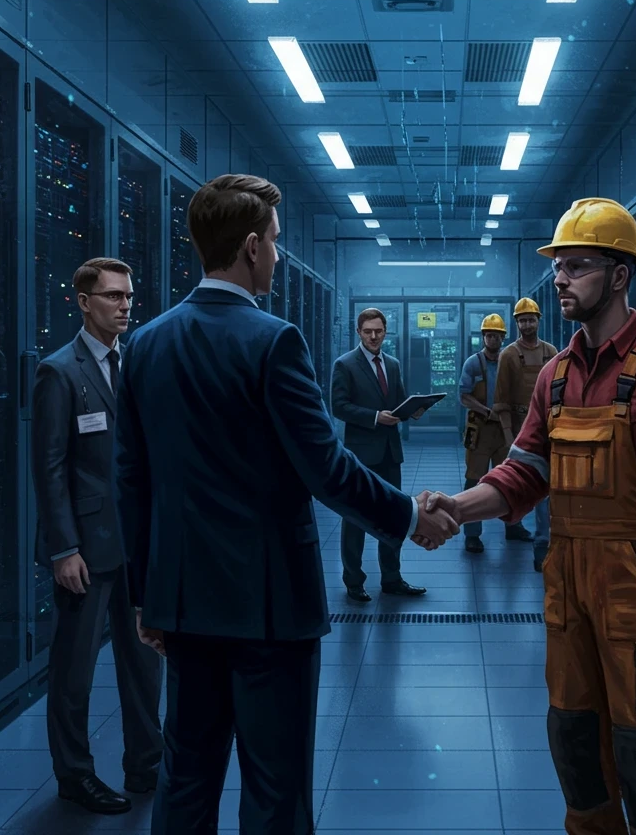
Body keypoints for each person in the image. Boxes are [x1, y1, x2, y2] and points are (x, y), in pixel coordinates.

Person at [113, 173, 458, 834]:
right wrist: (410, 518)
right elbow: (325, 470)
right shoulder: (273, 341)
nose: (278, 254)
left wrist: (142, 597)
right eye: (274, 241)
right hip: (269, 610)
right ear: (249, 247)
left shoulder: (147, 344)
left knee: (184, 784)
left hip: (183, 603)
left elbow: (131, 480)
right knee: (275, 793)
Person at [422, 198, 636, 835]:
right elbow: (523, 474)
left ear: (620, 275)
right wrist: (456, 506)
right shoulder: (555, 377)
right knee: (573, 738)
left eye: (578, 267)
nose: (560, 279)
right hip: (567, 588)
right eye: (558, 267)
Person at [31, 257, 164, 814]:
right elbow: (50, 467)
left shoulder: (136, 364)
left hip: (136, 541)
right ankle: (74, 775)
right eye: (112, 296)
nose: (125, 305)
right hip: (85, 547)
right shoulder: (59, 372)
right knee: (75, 671)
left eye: (129, 295)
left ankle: (146, 766)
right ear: (84, 302)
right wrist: (64, 548)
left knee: (144, 660)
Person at [329, 309, 427, 601]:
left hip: (389, 453)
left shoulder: (392, 365)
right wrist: (374, 417)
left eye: (379, 331)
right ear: (358, 332)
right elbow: (339, 407)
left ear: (386, 332)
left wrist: (414, 410)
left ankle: (392, 579)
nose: (374, 336)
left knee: (393, 516)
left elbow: (397, 402)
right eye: (368, 331)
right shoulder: (344, 365)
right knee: (355, 518)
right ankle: (354, 581)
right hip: (359, 455)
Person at [493, 297, 559, 570]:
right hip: (520, 425)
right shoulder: (509, 354)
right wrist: (510, 438)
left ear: (538, 320)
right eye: (522, 320)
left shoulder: (551, 352)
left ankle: (543, 547)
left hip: (548, 425)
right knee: (521, 483)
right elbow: (502, 401)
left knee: (548, 489)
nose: (527, 324)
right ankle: (517, 527)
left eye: (531, 319)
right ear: (517, 323)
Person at [458, 313, 531, 552]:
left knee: (510, 480)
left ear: (503, 338)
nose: (493, 340)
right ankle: (472, 534)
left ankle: (513, 526)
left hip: (506, 430)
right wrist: (486, 410)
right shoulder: (472, 363)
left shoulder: (510, 361)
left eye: (497, 336)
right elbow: (463, 396)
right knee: (474, 480)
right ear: (483, 337)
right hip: (480, 430)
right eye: (489, 335)